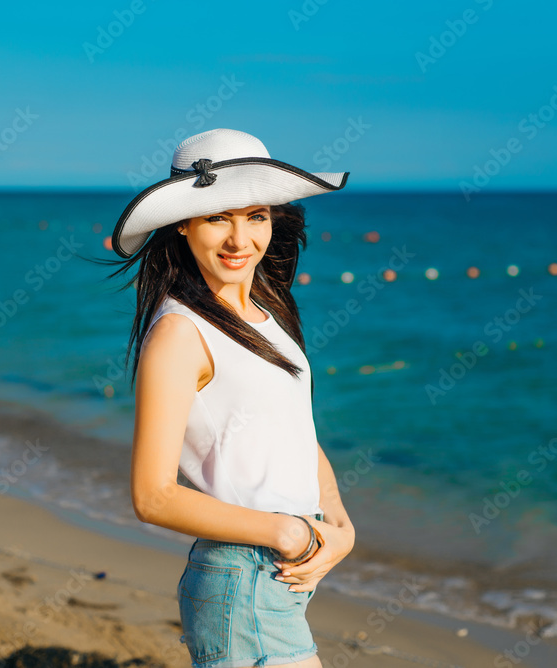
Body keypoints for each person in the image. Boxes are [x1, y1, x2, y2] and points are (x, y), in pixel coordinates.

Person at [106, 128, 356, 667]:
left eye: (256, 216)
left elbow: (294, 432)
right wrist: (289, 532)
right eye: (218, 217)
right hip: (243, 577)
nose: (240, 240)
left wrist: (338, 526)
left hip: (276, 578)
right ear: (183, 225)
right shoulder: (179, 334)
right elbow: (152, 495)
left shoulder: (267, 311)